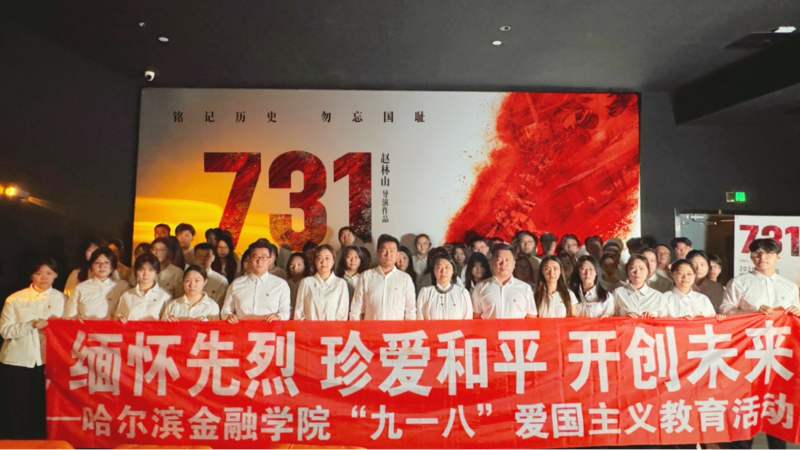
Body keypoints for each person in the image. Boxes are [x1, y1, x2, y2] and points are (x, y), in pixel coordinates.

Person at [0, 258, 65, 439]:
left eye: (49, 273)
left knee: (41, 409)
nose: (44, 277)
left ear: (56, 275)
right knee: (16, 408)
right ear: (31, 275)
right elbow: (5, 331)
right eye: (39, 273)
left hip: (47, 361)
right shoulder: (15, 298)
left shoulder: (62, 299)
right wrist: (30, 325)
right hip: (18, 360)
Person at [720, 238, 800, 316]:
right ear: (751, 256)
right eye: (757, 253)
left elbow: (796, 315)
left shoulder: (790, 286)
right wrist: (754, 313)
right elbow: (725, 311)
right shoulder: (738, 283)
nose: (762, 257)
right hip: (752, 325)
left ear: (778, 257)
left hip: (782, 325)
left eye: (768, 253)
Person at [349, 234, 416, 320]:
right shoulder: (366, 276)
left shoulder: (405, 279)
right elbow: (356, 309)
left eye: (392, 251)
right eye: (384, 250)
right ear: (378, 252)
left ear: (397, 255)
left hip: (396, 328)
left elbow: (410, 311)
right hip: (371, 327)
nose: (388, 254)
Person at [221, 241, 291, 322]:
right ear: (249, 259)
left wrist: (278, 316)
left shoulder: (281, 285)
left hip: (270, 328)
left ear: (270, 260)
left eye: (263, 257)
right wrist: (228, 316)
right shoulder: (236, 284)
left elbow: (286, 312)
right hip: (242, 328)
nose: (259, 261)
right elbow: (225, 311)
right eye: (255, 257)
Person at [472, 243, 537, 319]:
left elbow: (531, 317)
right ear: (491, 263)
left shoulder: (525, 288)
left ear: (514, 263)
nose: (503, 263)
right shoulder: (480, 287)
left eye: (507, 260)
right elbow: (476, 317)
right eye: (499, 260)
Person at [64, 247, 129, 319]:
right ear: (91, 266)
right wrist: (74, 319)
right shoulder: (81, 288)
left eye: (106, 262)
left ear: (112, 266)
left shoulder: (122, 286)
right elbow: (68, 316)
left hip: (113, 326)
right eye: (97, 262)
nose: (102, 266)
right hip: (87, 326)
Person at [294, 245, 349, 320]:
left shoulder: (341, 284)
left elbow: (342, 315)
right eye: (319, 258)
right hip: (310, 327)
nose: (323, 262)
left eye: (327, 258)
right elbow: (299, 313)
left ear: (333, 260)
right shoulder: (306, 283)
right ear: (315, 261)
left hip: (332, 327)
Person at [114, 253, 171, 322]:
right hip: (131, 329)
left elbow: (166, 321)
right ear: (136, 271)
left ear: (156, 271)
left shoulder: (165, 296)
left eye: (150, 270)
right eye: (141, 270)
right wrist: (119, 319)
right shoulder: (127, 295)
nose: (146, 274)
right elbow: (118, 317)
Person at [417, 255, 473, 320]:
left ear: (453, 270)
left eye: (447, 267)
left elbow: (468, 320)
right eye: (439, 267)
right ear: (434, 271)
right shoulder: (425, 293)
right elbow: (420, 319)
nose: (443, 271)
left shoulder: (462, 293)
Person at [286, 252, 310, 317]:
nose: (295, 267)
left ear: (305, 266)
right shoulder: (285, 283)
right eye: (292, 264)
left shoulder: (308, 284)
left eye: (299, 265)